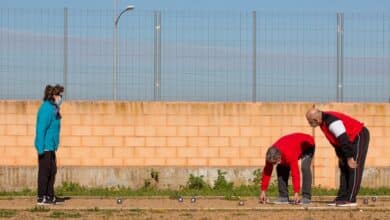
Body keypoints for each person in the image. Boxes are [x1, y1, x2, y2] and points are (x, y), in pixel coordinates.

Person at [306, 108, 369, 207]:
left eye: (310, 122)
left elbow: (343, 138)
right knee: (343, 167)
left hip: (358, 135)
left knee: (353, 167)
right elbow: (336, 142)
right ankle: (342, 197)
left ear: (316, 120)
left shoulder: (331, 121)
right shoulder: (323, 123)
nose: (309, 124)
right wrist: (341, 156)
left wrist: (349, 157)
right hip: (347, 141)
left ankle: (351, 199)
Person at [259, 133, 315, 205]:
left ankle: (306, 197)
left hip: (307, 144)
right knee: (280, 167)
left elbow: (295, 173)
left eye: (275, 162)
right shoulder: (270, 155)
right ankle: (283, 197)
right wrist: (263, 190)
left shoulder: (289, 154)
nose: (273, 164)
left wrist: (296, 192)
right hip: (292, 145)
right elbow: (267, 172)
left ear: (279, 157)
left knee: (305, 167)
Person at [34, 84, 65, 205]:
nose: (60, 97)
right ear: (52, 96)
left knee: (52, 171)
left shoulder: (54, 109)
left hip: (51, 146)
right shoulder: (46, 109)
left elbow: (55, 128)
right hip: (45, 146)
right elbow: (41, 129)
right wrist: (40, 148)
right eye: (59, 95)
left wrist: (55, 144)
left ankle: (50, 196)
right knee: (45, 172)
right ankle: (41, 197)